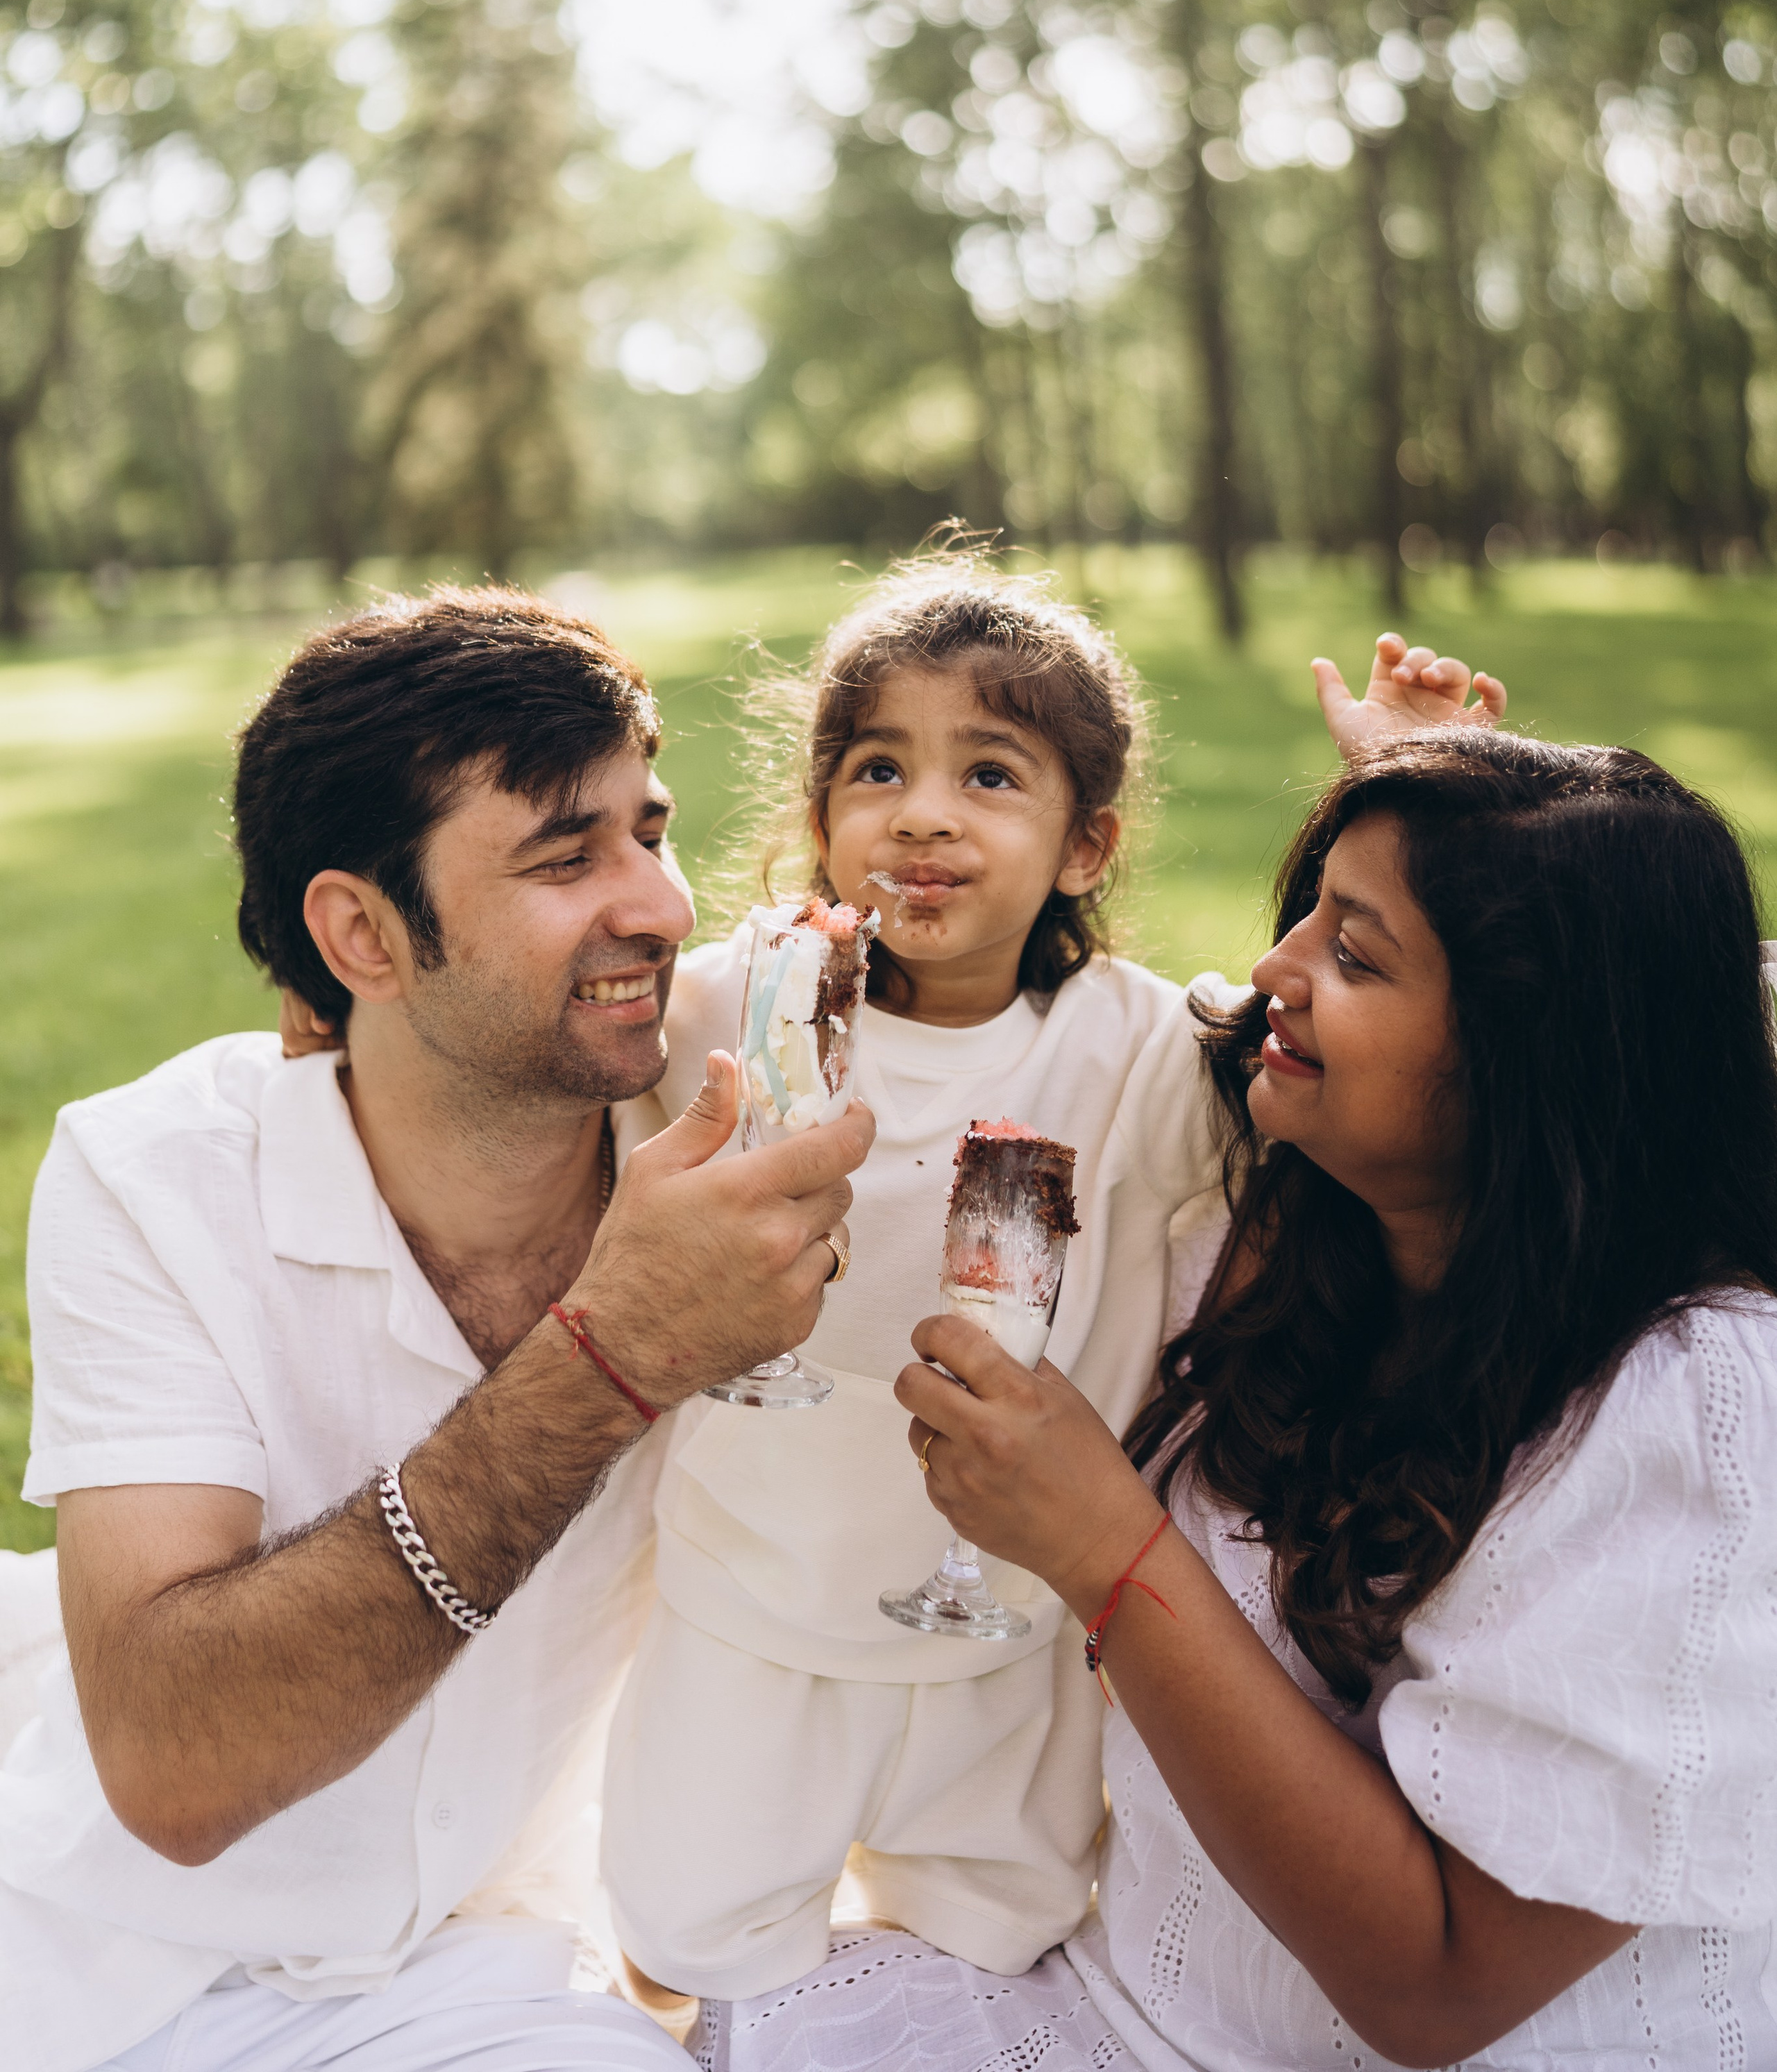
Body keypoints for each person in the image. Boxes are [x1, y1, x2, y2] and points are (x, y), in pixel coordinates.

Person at [701, 730, 1777, 2071]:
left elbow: (1439, 1991)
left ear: (1538, 1054)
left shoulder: (1701, 1412)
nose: (1277, 969)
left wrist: (1109, 1554)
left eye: (1357, 955)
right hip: (1136, 2017)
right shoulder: (1293, 1220)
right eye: (1309, 913)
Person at [598, 553, 1508, 2005]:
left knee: (986, 1954)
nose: (923, 812)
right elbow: (551, 1057)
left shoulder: (1140, 1053)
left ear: (1084, 845)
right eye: (876, 768)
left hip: (1008, 1635)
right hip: (753, 1603)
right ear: (821, 816)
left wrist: (1414, 779)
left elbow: (1372, 1011)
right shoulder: (732, 1003)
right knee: (682, 1947)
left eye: (990, 776)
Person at [0, 588, 871, 2072]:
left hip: (475, 1980)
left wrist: (1411, 809)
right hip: (72, 1941)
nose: (658, 907)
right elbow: (173, 1766)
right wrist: (606, 1362)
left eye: (649, 833)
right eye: (563, 855)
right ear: (360, 933)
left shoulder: (736, 1134)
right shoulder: (151, 1174)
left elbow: (1087, 1025)